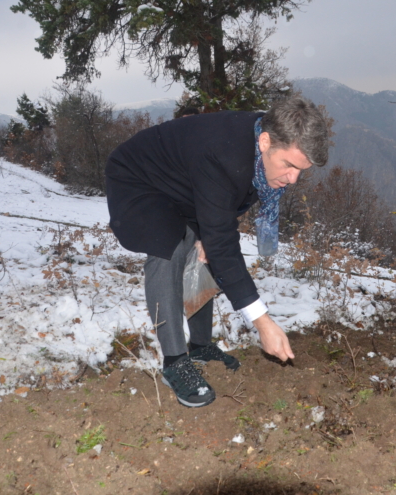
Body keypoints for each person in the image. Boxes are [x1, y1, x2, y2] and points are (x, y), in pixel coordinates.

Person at [105, 96, 329, 407]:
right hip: (137, 179)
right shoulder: (224, 155)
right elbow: (224, 236)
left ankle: (199, 345)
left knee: (206, 249)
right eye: (289, 165)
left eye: (300, 170)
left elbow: (226, 207)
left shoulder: (261, 140)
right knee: (168, 245)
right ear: (265, 142)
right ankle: (175, 361)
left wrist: (208, 233)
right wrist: (262, 322)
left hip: (185, 184)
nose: (293, 179)